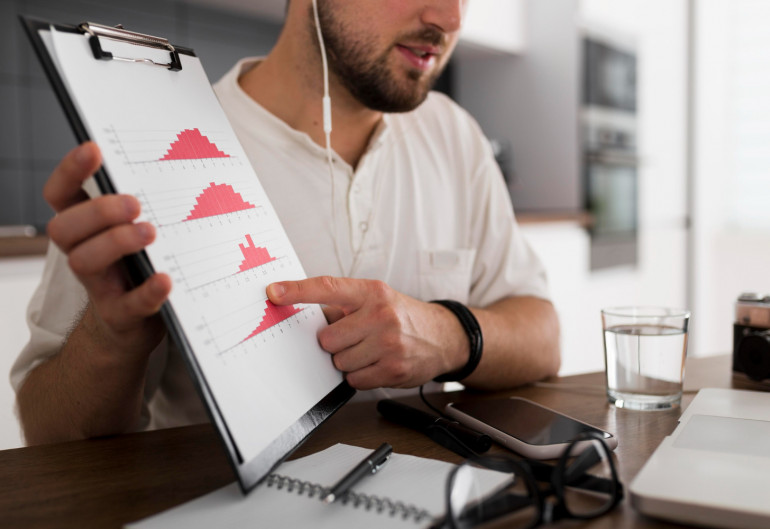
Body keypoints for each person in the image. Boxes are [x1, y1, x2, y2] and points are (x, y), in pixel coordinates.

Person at [11, 0, 560, 445]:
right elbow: (48, 432)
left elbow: (543, 336)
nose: (451, 17)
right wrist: (112, 336)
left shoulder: (453, 134)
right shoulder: (150, 153)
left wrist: (446, 334)